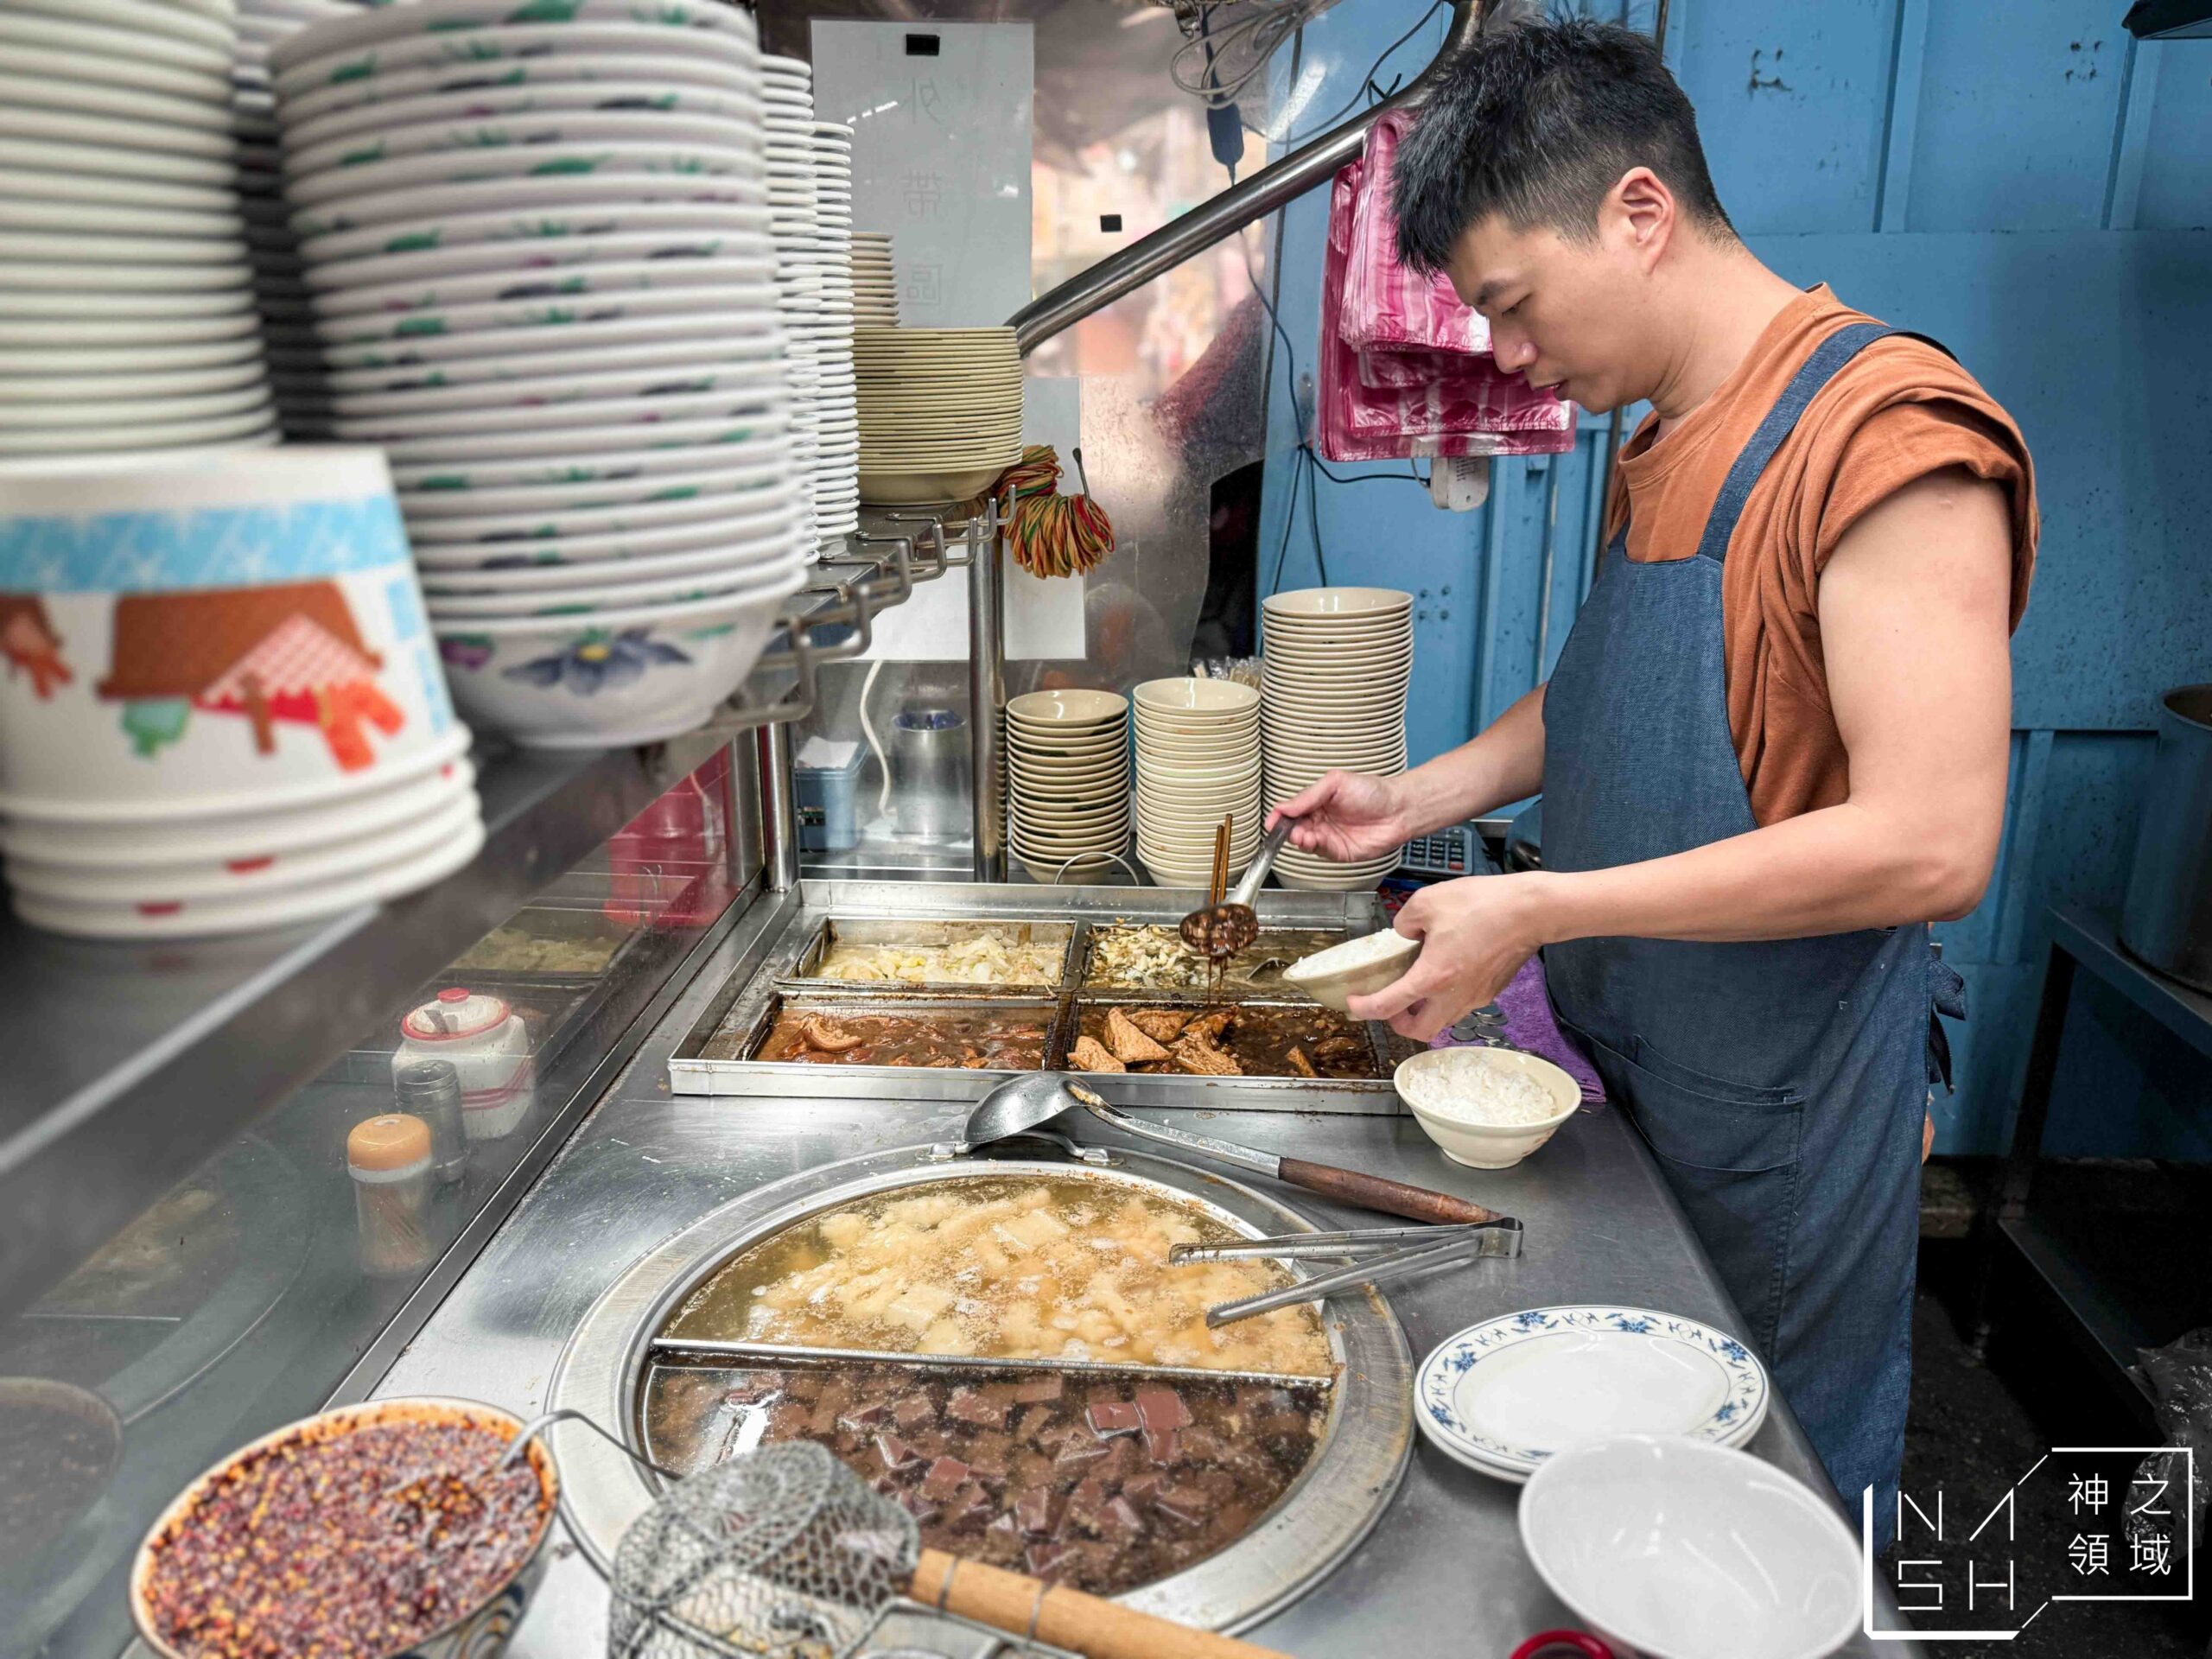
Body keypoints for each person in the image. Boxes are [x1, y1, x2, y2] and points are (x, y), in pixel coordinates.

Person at [1271, 17, 2037, 1543]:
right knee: (1628, 1496)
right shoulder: (1670, 432)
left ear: (1637, 211)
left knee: (1768, 1506)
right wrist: (1411, 807)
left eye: (1512, 303)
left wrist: (1545, 906)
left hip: (1783, 1100)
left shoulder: (1882, 437)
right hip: (1638, 1071)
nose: (1504, 354)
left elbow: (1932, 843)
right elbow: (1599, 697)